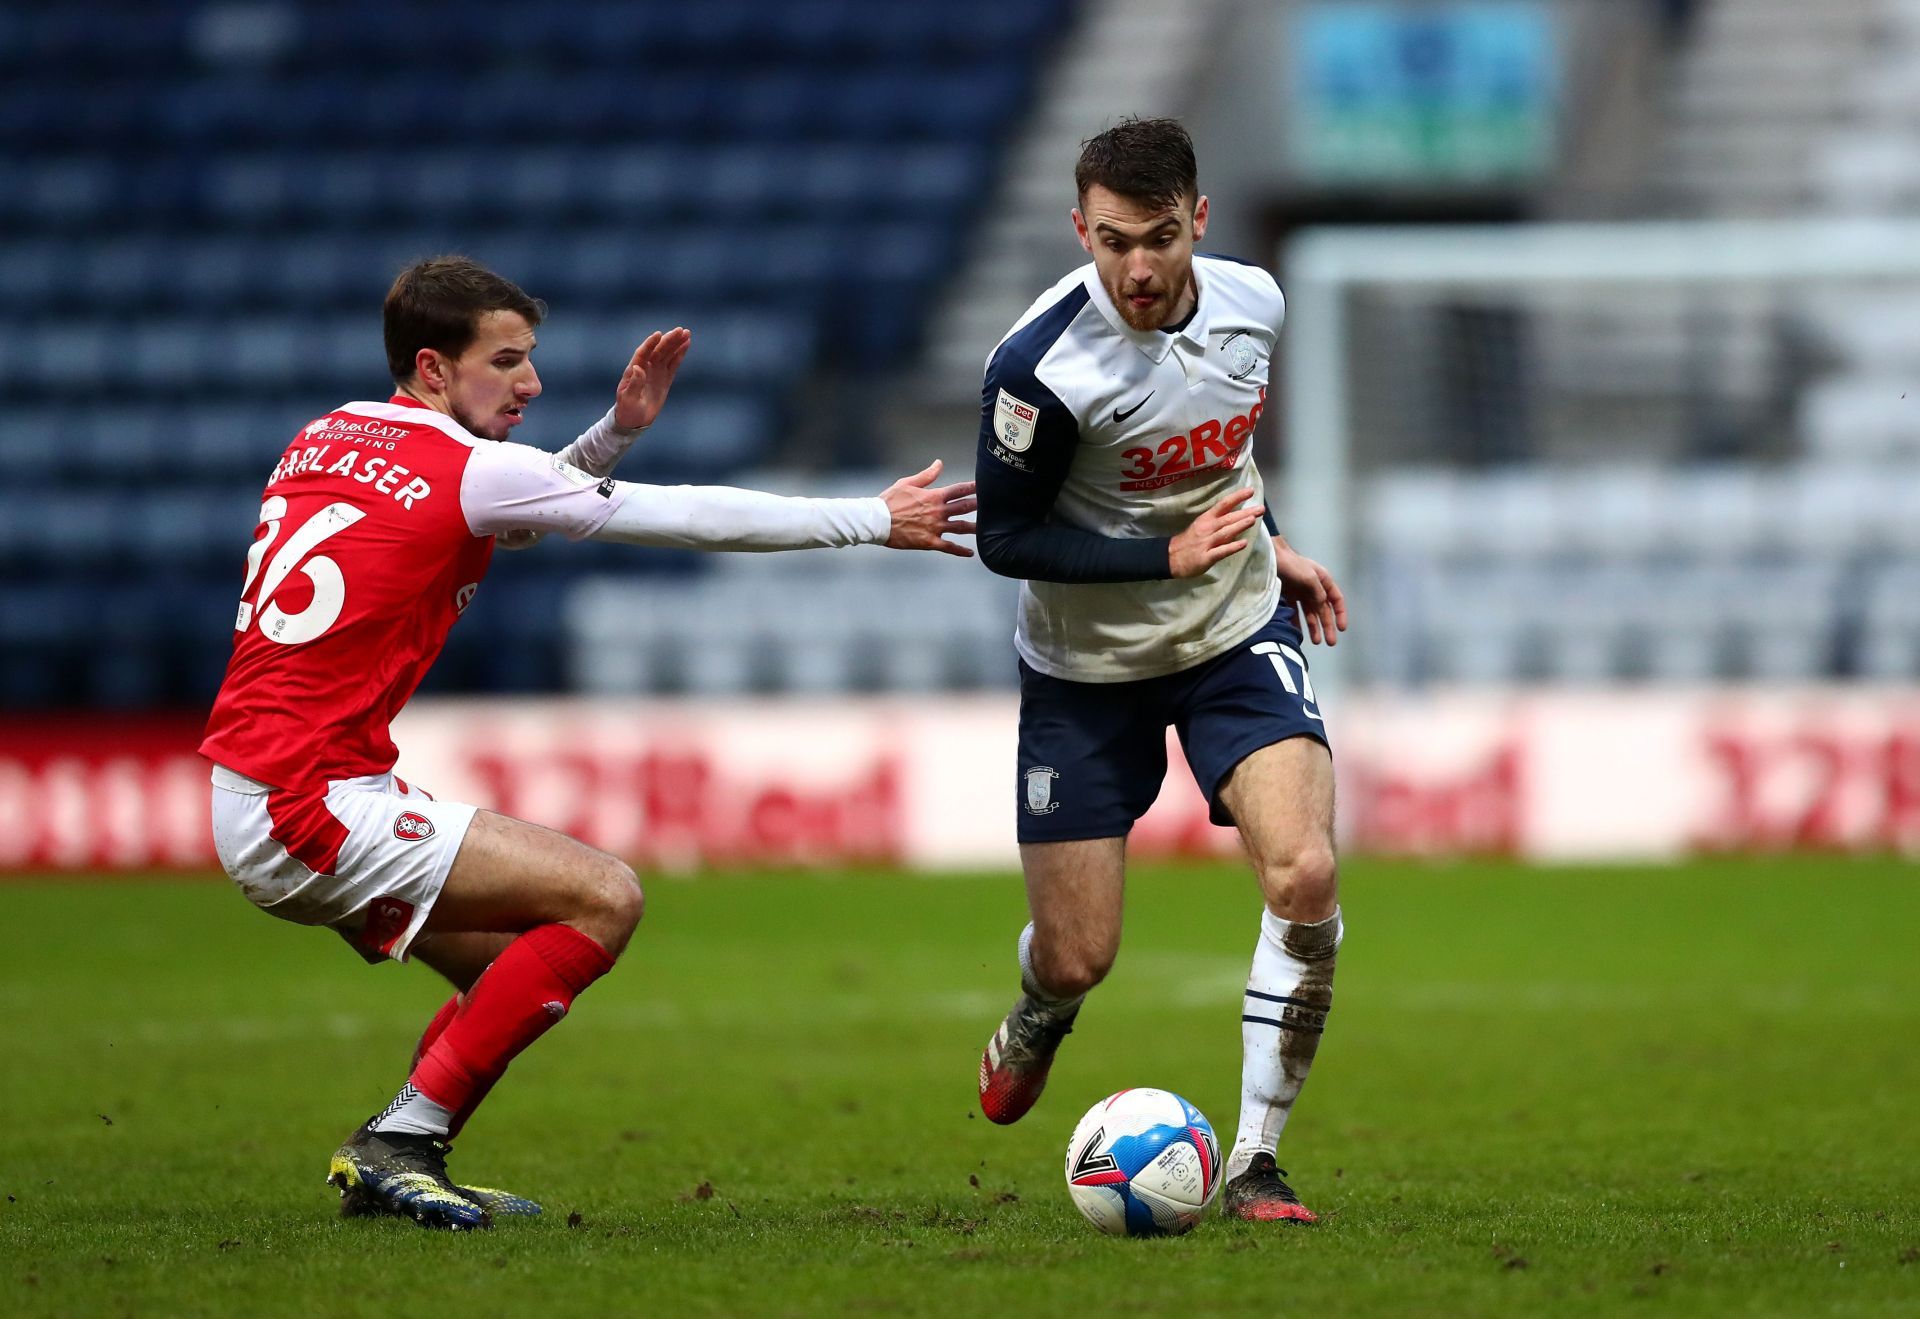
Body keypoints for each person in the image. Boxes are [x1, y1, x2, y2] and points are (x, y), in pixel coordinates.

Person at [200, 255, 976, 1230]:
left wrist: (613, 435)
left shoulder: (328, 435)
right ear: (435, 369)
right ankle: (403, 1138)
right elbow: (680, 514)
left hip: (254, 788)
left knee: (509, 970)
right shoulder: (470, 468)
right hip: (312, 801)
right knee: (604, 895)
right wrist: (872, 517)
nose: (530, 383)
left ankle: (404, 1152)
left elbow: (506, 504)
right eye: (508, 361)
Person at [970, 119, 1347, 1224]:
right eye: (1114, 241)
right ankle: (1040, 1009)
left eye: (1162, 238)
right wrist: (1158, 557)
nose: (1138, 268)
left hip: (1234, 633)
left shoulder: (1256, 305)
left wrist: (1268, 543)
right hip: (1086, 669)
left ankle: (1258, 1160)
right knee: (1082, 954)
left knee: (1306, 872)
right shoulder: (1036, 366)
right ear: (1080, 229)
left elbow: (1221, 454)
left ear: (1201, 220)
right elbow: (1006, 538)